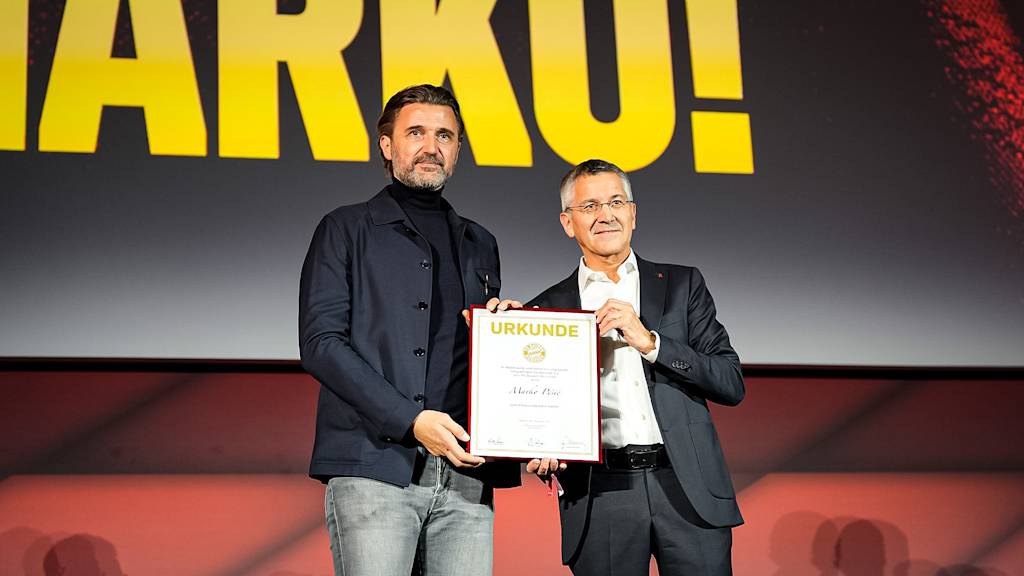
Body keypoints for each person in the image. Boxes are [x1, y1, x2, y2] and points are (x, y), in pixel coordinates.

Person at [299, 84, 519, 576]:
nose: (431, 145)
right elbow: (321, 345)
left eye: (445, 135)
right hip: (375, 465)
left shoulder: (481, 242)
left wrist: (509, 332)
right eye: (415, 132)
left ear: (458, 149)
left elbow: (477, 353)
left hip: (466, 473)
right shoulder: (345, 228)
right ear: (387, 145)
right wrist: (410, 420)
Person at [504, 158, 745, 575]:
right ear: (567, 222)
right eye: (590, 206)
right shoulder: (543, 309)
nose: (605, 215)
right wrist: (538, 443)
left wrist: (651, 342)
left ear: (633, 213)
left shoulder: (680, 285)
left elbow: (730, 382)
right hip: (601, 493)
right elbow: (533, 407)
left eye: (616, 201)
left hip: (687, 487)